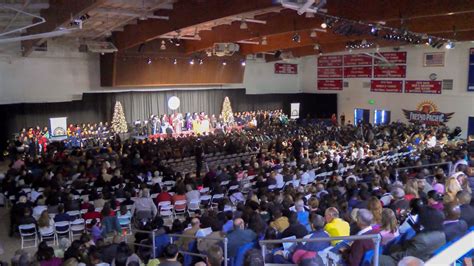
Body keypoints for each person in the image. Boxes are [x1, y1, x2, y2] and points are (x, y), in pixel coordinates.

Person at [380, 207, 446, 266]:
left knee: (376, 259)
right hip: (421, 257)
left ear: (424, 221)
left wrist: (393, 250)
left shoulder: (421, 239)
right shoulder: (442, 234)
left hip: (408, 261)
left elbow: (404, 257)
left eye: (419, 218)